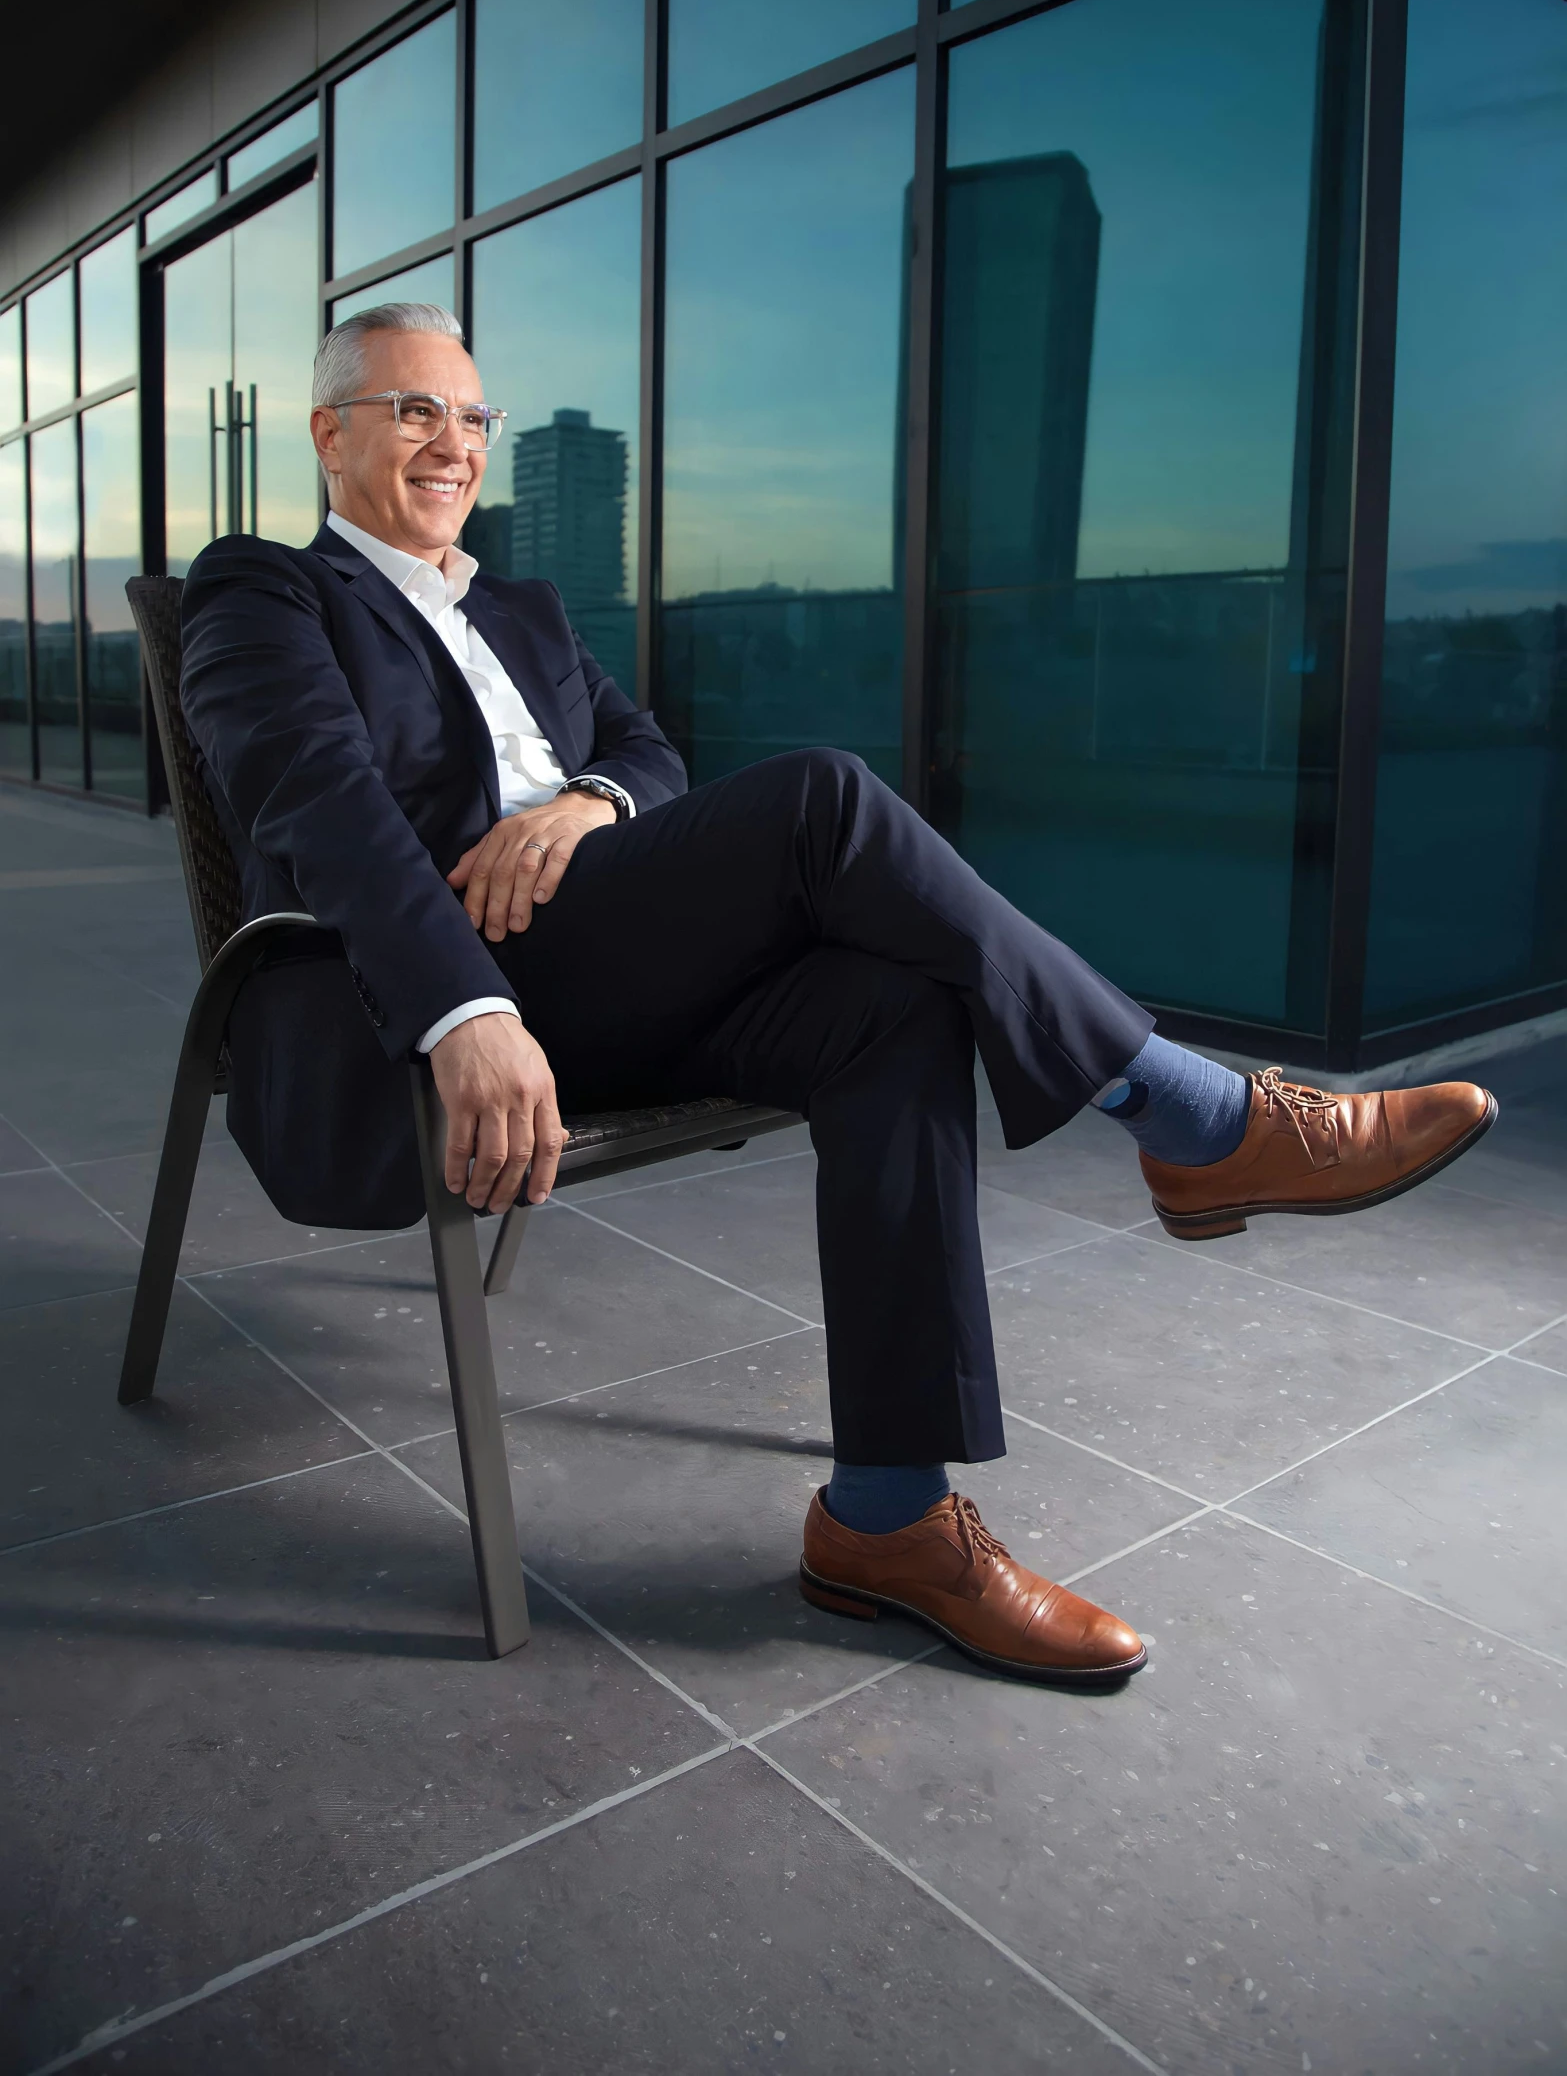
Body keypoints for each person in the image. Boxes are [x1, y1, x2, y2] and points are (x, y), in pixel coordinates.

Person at [179, 303, 1496, 1688]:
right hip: (439, 996)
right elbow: (318, 805)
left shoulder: (521, 606)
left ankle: (885, 1514)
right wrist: (469, 1012)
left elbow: (646, 747)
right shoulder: (263, 592)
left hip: (605, 953)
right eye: (411, 412)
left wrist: (586, 799)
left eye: (470, 417)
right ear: (330, 431)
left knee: (894, 1005)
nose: (451, 444)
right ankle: (1193, 1114)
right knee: (820, 794)